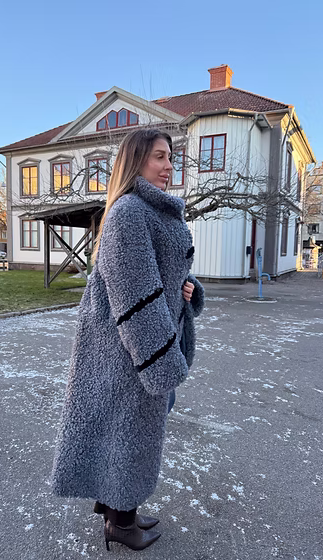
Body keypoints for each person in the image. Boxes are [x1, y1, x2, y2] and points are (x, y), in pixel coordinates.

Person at [51, 128, 204, 552]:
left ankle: (118, 510)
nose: (169, 165)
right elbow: (134, 290)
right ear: (136, 160)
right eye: (159, 156)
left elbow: (160, 273)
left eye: (170, 157)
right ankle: (120, 523)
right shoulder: (130, 211)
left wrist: (187, 288)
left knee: (128, 432)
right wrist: (161, 361)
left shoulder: (152, 210)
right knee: (129, 435)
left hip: (140, 345)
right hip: (128, 349)